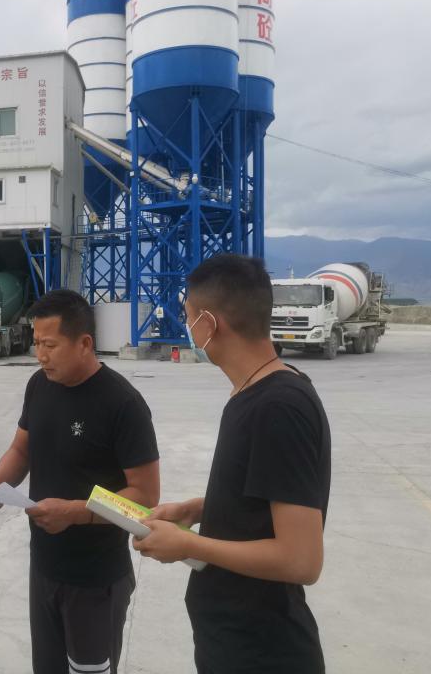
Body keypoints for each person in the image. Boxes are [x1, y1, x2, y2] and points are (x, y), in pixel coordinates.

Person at [133, 254, 331, 674]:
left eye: (189, 316)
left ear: (209, 324)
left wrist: (188, 544)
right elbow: (265, 497)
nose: (187, 327)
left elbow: (301, 559)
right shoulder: (253, 392)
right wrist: (195, 510)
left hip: (261, 652)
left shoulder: (279, 407)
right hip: (232, 638)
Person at [0, 289, 160, 674]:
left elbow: (144, 497)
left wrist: (76, 513)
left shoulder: (122, 404)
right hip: (44, 567)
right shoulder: (39, 385)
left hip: (96, 578)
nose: (40, 355)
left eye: (50, 345)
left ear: (84, 344)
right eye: (37, 342)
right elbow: (22, 449)